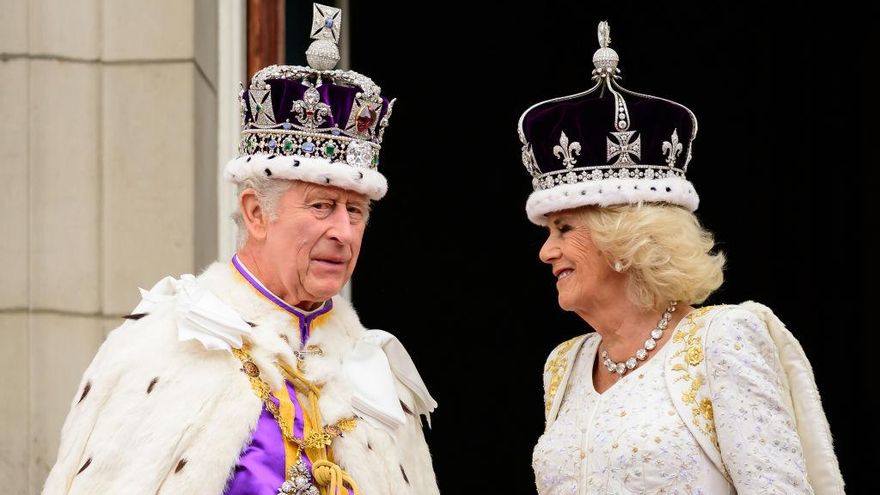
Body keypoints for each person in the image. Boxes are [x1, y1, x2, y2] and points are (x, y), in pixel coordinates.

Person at [42, 4, 439, 494]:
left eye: (355, 212)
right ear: (255, 213)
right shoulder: (165, 345)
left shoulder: (376, 374)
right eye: (321, 206)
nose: (344, 231)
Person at [519, 21, 844, 494]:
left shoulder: (722, 339)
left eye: (564, 229)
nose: (547, 251)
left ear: (626, 242)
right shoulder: (563, 364)